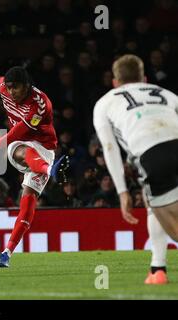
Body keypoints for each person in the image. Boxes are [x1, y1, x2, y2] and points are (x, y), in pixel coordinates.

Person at [93, 54, 178, 285]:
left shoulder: (105, 103)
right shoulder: (167, 94)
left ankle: (158, 271)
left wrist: (122, 192)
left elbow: (110, 148)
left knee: (165, 220)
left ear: (115, 82)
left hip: (153, 155)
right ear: (144, 78)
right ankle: (157, 269)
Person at [0, 66, 68, 268]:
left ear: (27, 86)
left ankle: (6, 253)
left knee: (27, 204)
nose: (11, 92)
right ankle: (50, 171)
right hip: (24, 149)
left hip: (44, 149)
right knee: (18, 150)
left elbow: (16, 132)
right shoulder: (4, 88)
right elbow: (1, 78)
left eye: (15, 88)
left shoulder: (40, 103)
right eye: (9, 88)